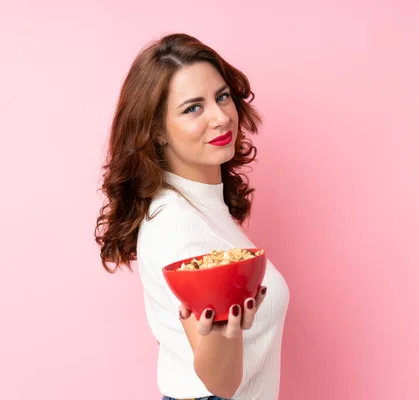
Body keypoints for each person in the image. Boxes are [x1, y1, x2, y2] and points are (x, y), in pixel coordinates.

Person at [95, 33, 290, 400]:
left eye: (221, 97)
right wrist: (225, 336)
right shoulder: (179, 226)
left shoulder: (197, 205)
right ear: (156, 132)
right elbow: (221, 382)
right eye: (192, 108)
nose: (220, 117)